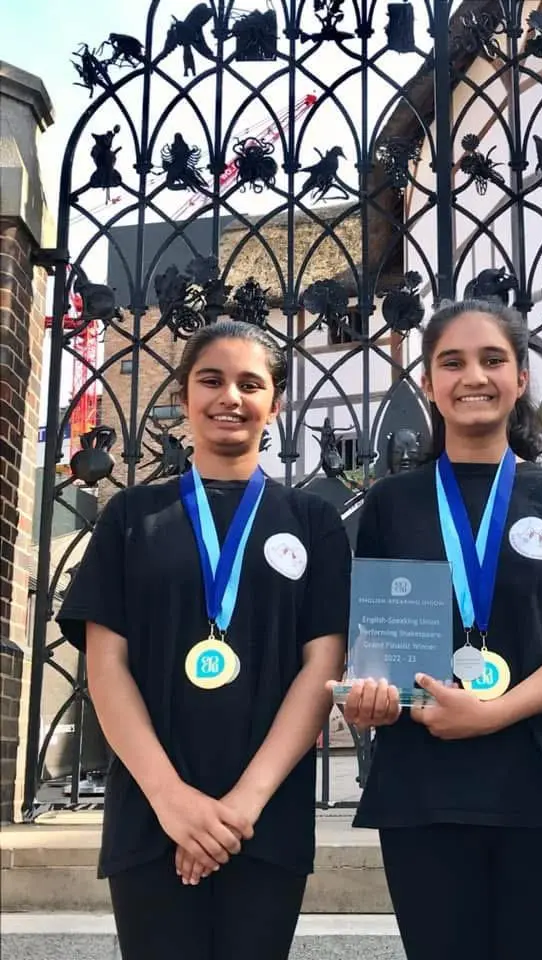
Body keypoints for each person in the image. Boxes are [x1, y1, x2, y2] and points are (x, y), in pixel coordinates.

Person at [339, 299, 542, 960]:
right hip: (426, 799)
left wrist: (495, 712)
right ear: (428, 382)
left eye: (492, 359)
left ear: (521, 378)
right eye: (452, 361)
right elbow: (379, 651)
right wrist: (369, 696)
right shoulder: (394, 501)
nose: (472, 375)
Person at [58, 319, 351, 960]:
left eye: (250, 383)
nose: (230, 397)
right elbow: (107, 667)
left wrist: (241, 807)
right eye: (211, 380)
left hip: (265, 818)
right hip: (150, 813)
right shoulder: (131, 517)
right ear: (186, 393)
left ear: (275, 402)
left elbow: (322, 667)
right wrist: (172, 801)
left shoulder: (313, 522)